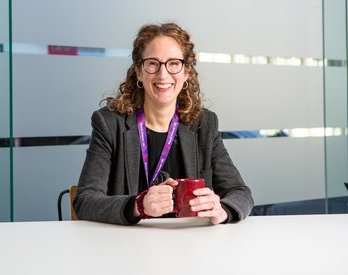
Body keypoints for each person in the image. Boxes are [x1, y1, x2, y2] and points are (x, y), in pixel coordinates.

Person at [73, 22, 253, 225]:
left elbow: (241, 193)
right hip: (126, 246)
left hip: (193, 245)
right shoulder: (110, 124)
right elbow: (85, 201)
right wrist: (138, 205)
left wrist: (223, 210)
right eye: (152, 63)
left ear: (186, 73)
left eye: (174, 63)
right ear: (139, 72)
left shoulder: (204, 124)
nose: (163, 74)